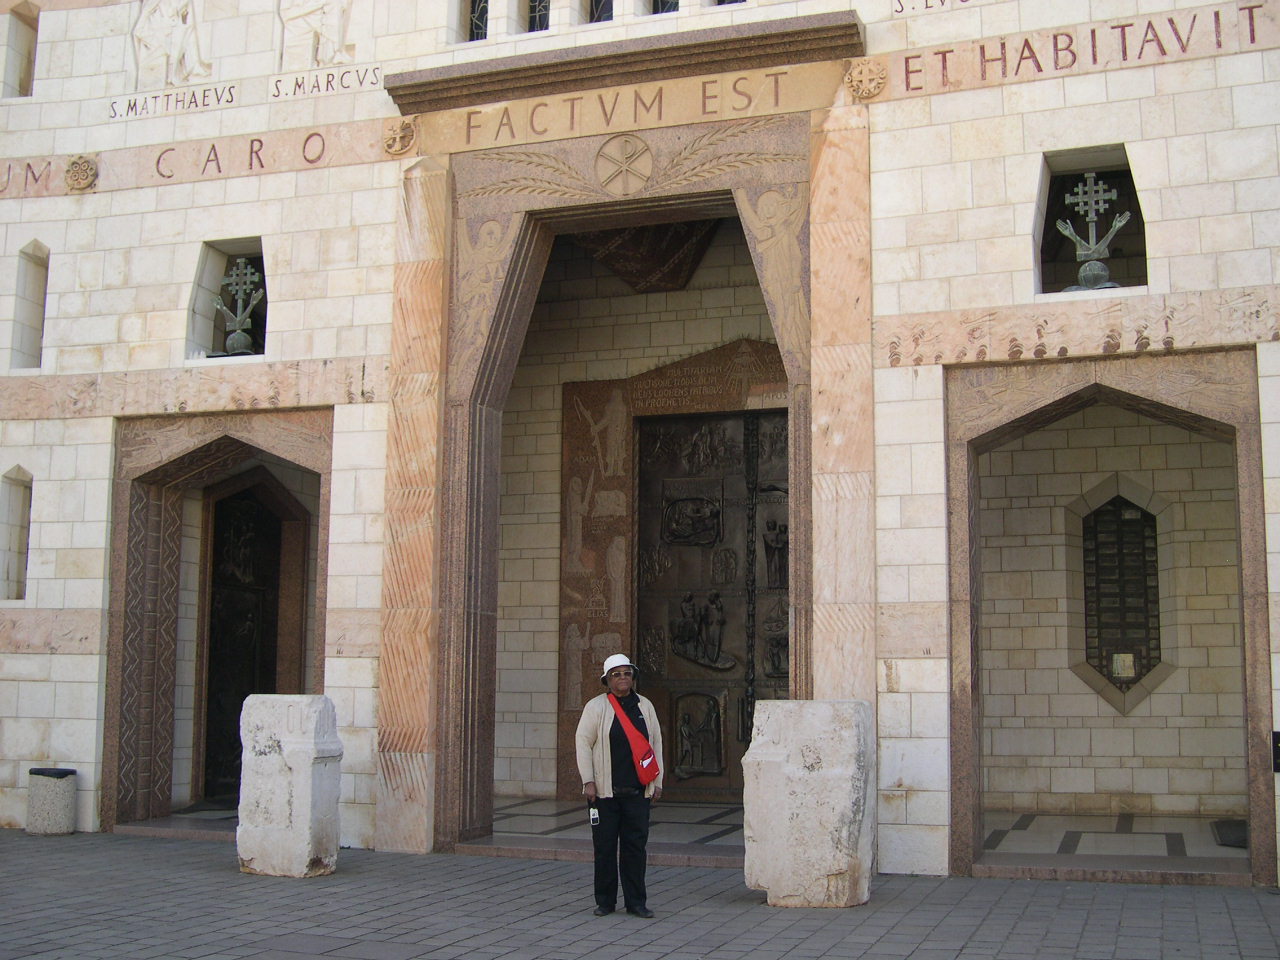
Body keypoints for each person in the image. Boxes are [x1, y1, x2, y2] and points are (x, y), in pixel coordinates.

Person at [576, 653, 664, 918]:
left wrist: (657, 782)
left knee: (635, 849)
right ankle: (605, 901)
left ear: (633, 677)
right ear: (607, 680)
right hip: (605, 793)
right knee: (604, 849)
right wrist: (588, 780)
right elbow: (583, 743)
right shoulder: (596, 707)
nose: (622, 678)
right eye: (616, 674)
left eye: (626, 673)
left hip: (637, 791)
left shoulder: (645, 706)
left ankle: (636, 902)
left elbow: (656, 743)